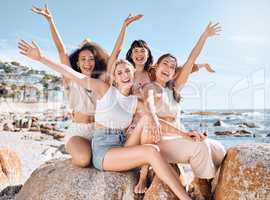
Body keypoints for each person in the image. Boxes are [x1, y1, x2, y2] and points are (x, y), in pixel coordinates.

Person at [18, 39, 195, 199]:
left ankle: (145, 177)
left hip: (123, 145)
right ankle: (185, 198)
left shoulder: (135, 101)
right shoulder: (104, 90)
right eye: (119, 72)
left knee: (148, 119)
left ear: (133, 75)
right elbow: (73, 74)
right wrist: (41, 58)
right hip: (104, 150)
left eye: (127, 71)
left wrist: (184, 133)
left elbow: (155, 119)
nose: (124, 75)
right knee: (151, 151)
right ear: (115, 79)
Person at [31, 5, 141, 167]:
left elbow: (116, 53)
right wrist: (50, 21)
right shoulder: (71, 79)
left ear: (95, 61)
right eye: (83, 59)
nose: (87, 62)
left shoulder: (102, 82)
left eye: (91, 59)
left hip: (99, 133)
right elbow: (61, 51)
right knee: (83, 160)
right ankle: (75, 150)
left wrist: (124, 27)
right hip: (78, 131)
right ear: (77, 62)